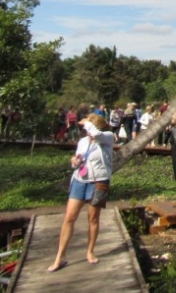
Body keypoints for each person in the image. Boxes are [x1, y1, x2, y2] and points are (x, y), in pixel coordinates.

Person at [47, 114, 114, 272]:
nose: (86, 130)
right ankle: (60, 257)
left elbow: (96, 134)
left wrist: (87, 123)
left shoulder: (107, 138)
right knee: (69, 217)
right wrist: (74, 162)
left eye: (89, 127)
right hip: (79, 180)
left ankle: (90, 251)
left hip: (98, 182)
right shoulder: (83, 141)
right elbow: (78, 158)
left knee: (93, 218)